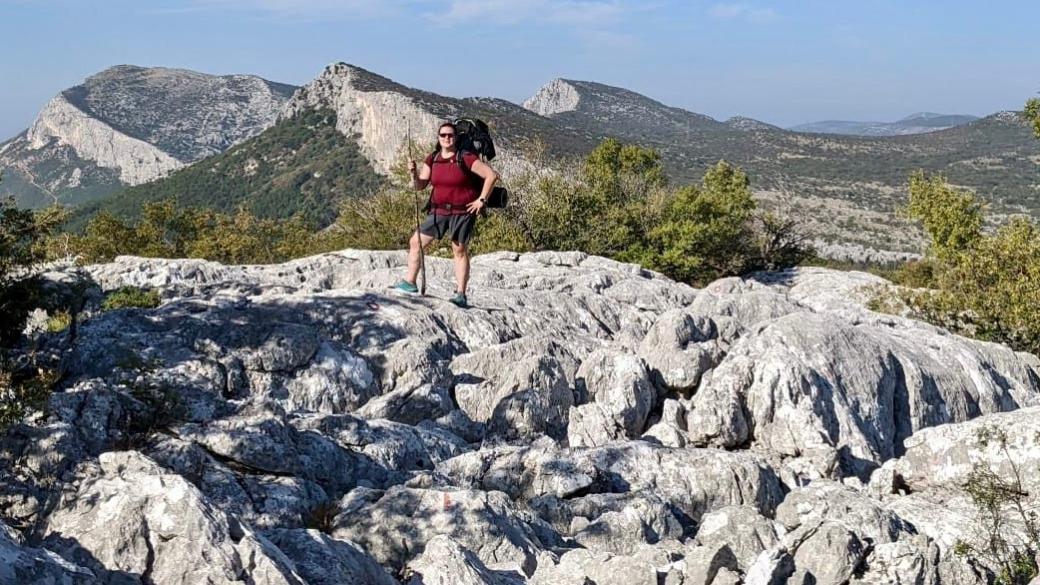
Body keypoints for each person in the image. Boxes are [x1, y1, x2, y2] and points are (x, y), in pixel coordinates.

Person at [394, 121, 499, 308]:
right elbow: (420, 186)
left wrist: (481, 200)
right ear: (438, 137)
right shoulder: (433, 159)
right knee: (416, 242)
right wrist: (413, 174)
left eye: (450, 135)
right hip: (439, 210)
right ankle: (410, 282)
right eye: (443, 135)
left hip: (463, 210)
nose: (447, 138)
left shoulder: (465, 157)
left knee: (458, 250)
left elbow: (491, 175)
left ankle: (461, 294)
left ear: (455, 137)